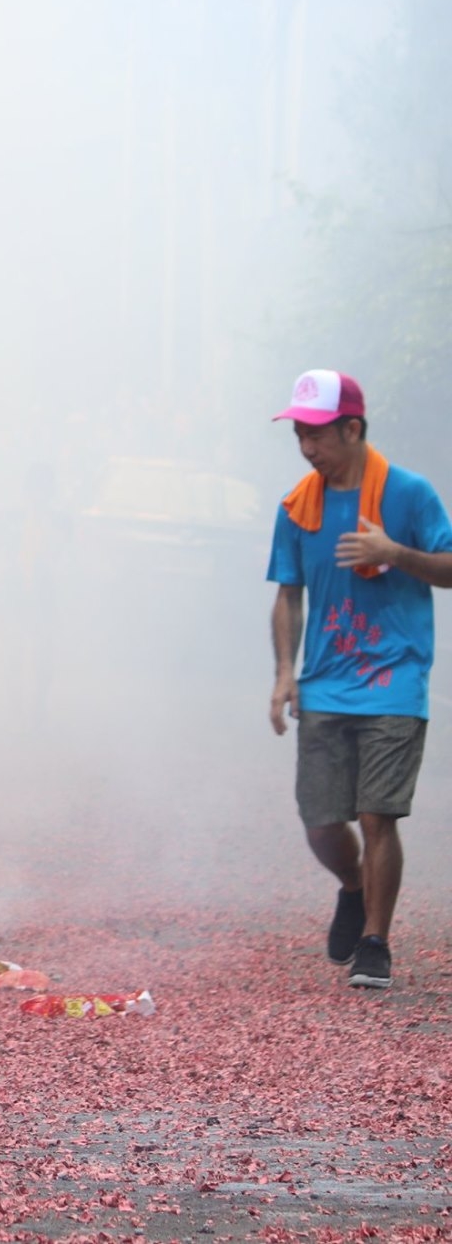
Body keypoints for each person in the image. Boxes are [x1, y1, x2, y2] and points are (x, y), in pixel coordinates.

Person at [267, 369, 452, 991]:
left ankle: (376, 941)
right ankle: (352, 885)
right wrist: (283, 674)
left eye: (316, 434)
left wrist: (396, 553)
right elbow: (288, 596)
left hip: (395, 681)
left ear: (353, 428)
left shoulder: (409, 494)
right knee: (321, 821)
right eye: (298, 433)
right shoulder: (298, 507)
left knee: (378, 814)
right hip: (323, 682)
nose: (306, 447)